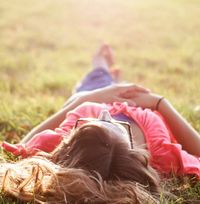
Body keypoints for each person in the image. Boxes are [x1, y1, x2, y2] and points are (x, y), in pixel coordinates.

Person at [0, 44, 200, 204]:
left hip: (93, 93)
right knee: (122, 84)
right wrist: (160, 103)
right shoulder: (161, 153)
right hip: (140, 100)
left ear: (67, 147)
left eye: (89, 124)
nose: (105, 112)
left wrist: (86, 99)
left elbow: (20, 148)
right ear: (137, 155)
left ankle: (101, 63)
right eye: (119, 127)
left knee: (97, 76)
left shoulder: (63, 141)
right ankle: (112, 74)